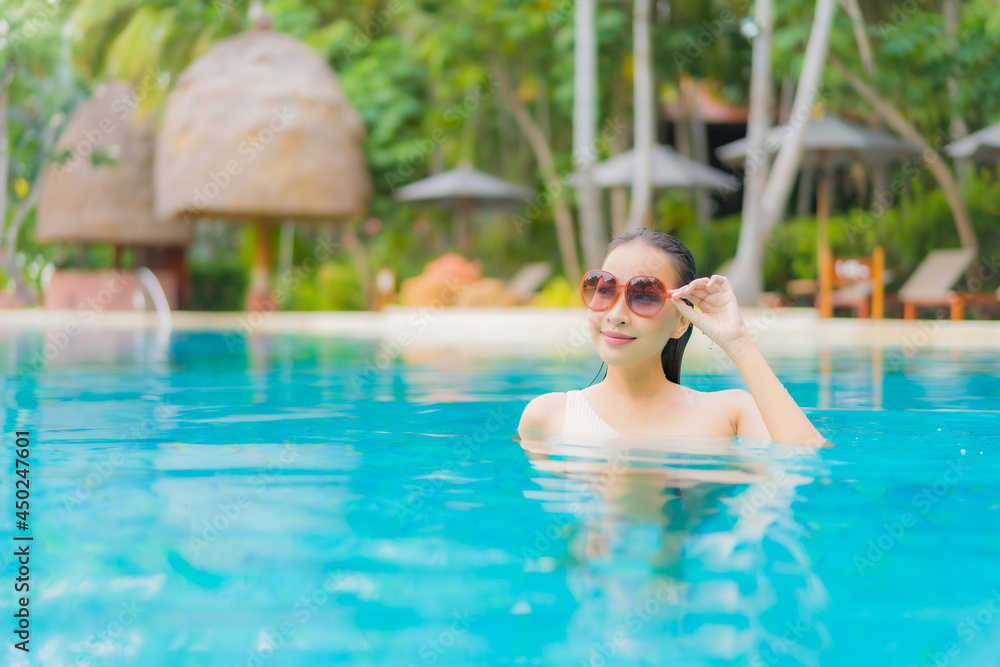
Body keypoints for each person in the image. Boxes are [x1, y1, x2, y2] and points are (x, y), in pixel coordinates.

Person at [518, 229, 825, 447]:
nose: (616, 314)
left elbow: (807, 461)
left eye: (645, 295)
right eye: (605, 288)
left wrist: (739, 343)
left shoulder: (728, 414)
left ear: (681, 321)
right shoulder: (547, 417)